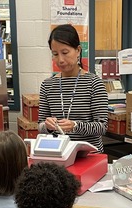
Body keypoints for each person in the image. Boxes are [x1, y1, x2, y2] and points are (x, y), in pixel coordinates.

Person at [38, 24, 108, 153]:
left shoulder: (94, 83)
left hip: (88, 156)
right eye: (55, 54)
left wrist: (75, 126)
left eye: (65, 53)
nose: (60, 60)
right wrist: (47, 126)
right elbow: (41, 125)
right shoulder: (47, 85)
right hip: (59, 154)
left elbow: (102, 127)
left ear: (78, 50)